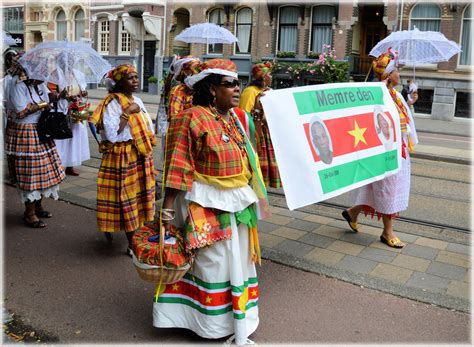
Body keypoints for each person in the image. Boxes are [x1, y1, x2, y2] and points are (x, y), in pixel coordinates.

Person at [154, 59, 270, 345]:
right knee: (212, 263)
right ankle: (207, 323)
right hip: (202, 203)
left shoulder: (235, 118)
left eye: (237, 83)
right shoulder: (190, 117)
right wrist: (167, 211)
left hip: (237, 203)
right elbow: (177, 165)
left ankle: (236, 318)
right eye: (230, 84)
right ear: (211, 89)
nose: (237, 88)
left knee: (238, 262)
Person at [342, 49, 418, 248]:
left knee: (376, 187)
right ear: (388, 75)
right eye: (396, 71)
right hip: (386, 151)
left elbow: (403, 117)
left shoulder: (395, 94)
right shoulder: (380, 94)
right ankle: (387, 232)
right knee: (387, 189)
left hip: (398, 148)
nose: (399, 74)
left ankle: (352, 213)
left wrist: (410, 102)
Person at [90, 64, 156, 253]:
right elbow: (111, 134)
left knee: (138, 197)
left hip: (139, 154)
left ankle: (136, 236)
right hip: (122, 156)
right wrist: (128, 112)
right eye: (130, 78)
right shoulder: (113, 103)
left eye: (136, 77)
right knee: (126, 198)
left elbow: (148, 127)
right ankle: (132, 244)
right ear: (119, 82)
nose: (135, 81)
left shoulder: (138, 100)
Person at [4, 65, 66, 228]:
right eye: (41, 74)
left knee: (44, 171)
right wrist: (43, 104)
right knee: (30, 173)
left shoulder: (38, 84)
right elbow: (21, 112)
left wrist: (60, 96)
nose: (43, 79)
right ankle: (29, 213)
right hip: (25, 132)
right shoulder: (16, 84)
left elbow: (48, 99)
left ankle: (38, 207)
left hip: (40, 130)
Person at [239, 62, 282, 188]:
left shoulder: (269, 91)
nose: (271, 76)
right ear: (262, 76)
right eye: (269, 74)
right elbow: (244, 115)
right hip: (257, 131)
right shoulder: (250, 91)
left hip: (266, 131)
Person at [47, 70, 91, 176]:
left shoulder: (78, 74)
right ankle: (58, 166)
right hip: (61, 111)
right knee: (61, 140)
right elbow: (50, 95)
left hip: (76, 110)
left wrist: (83, 93)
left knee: (74, 139)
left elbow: (81, 91)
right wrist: (62, 96)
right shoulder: (54, 75)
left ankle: (70, 165)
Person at [167, 56, 200, 120]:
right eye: (193, 70)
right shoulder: (178, 91)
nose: (196, 73)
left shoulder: (203, 88)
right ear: (184, 72)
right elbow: (173, 117)